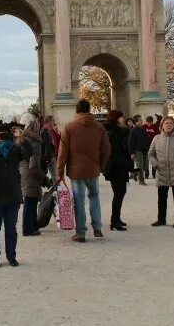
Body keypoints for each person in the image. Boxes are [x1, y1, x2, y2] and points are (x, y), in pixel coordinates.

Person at [57, 99, 111, 243]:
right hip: (93, 168)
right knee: (94, 196)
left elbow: (63, 152)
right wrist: (100, 164)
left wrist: (60, 170)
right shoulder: (99, 127)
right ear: (89, 109)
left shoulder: (69, 127)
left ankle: (80, 232)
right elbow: (107, 149)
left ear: (76, 110)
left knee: (79, 200)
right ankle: (97, 226)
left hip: (76, 170)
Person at [0, 125, 33, 267]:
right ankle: (10, 257)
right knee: (10, 228)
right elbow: (29, 151)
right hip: (9, 193)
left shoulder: (10, 149)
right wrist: (22, 139)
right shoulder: (14, 149)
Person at [103, 110, 132, 231]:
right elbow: (115, 153)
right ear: (116, 119)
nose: (123, 119)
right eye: (121, 117)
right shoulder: (112, 133)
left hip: (120, 167)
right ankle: (114, 221)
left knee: (120, 193)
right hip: (116, 168)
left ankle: (116, 218)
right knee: (118, 194)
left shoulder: (118, 131)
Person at [19, 119, 44, 236]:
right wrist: (42, 177)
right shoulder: (35, 142)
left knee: (30, 200)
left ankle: (32, 226)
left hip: (23, 172)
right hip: (31, 174)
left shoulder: (21, 139)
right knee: (31, 202)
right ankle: (28, 228)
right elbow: (34, 164)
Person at [128, 114, 151, 183]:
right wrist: (131, 153)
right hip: (138, 151)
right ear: (136, 122)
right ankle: (141, 180)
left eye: (142, 120)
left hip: (145, 150)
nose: (142, 121)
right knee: (140, 166)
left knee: (145, 166)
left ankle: (134, 173)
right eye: (140, 120)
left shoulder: (143, 129)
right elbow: (130, 142)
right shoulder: (133, 130)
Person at [40, 116, 60, 183]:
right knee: (54, 175)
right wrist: (46, 159)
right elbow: (46, 145)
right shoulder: (44, 130)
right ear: (49, 122)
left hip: (52, 155)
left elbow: (55, 141)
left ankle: (57, 191)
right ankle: (58, 191)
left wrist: (57, 133)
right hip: (49, 157)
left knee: (55, 176)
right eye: (53, 121)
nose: (54, 123)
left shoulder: (50, 130)